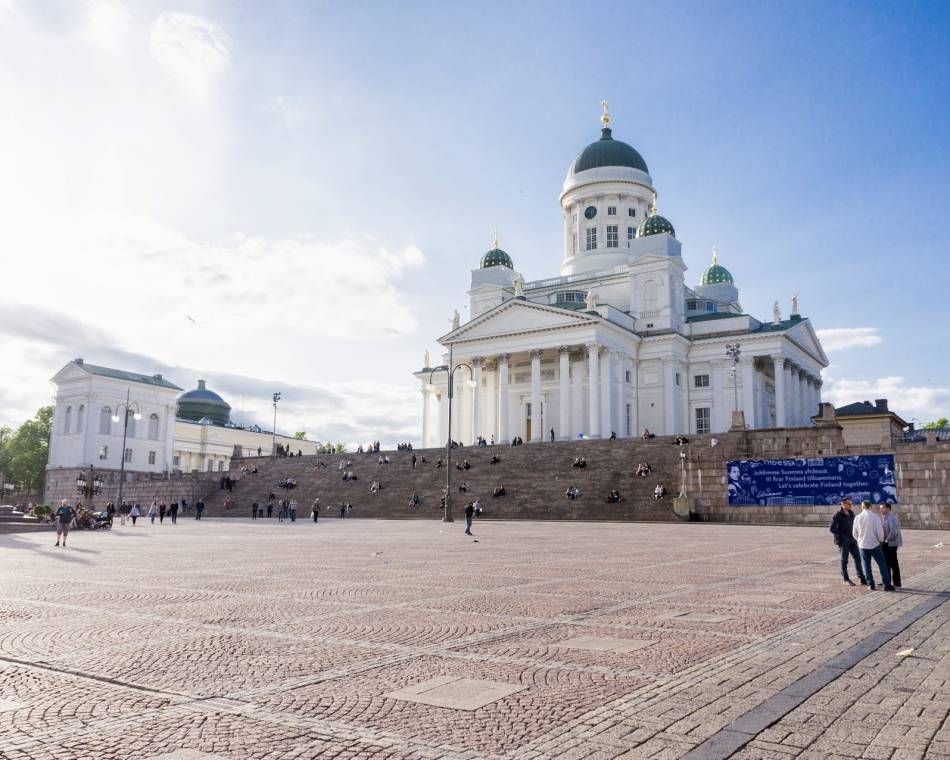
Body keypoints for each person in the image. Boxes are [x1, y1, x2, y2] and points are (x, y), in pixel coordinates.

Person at [853, 500, 894, 591]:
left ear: (862, 507)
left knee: (866, 566)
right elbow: (880, 532)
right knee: (882, 564)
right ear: (870, 507)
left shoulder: (857, 517)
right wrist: (881, 540)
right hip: (875, 544)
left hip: (863, 545)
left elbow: (854, 533)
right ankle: (886, 585)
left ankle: (871, 584)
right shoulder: (875, 517)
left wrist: (859, 540)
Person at [830, 498, 867, 586]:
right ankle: (845, 579)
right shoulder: (838, 515)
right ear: (842, 504)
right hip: (843, 541)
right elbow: (832, 529)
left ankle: (862, 578)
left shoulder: (851, 513)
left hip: (853, 539)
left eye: (851, 504)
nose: (850, 505)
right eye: (848, 504)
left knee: (858, 558)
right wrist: (842, 536)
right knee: (844, 560)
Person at [880, 503, 903, 588]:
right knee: (889, 563)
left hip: (890, 543)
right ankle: (889, 581)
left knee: (891, 563)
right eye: (880, 508)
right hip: (887, 543)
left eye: (883, 508)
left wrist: (886, 540)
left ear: (888, 508)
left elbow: (893, 531)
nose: (881, 510)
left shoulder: (891, 517)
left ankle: (894, 582)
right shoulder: (885, 517)